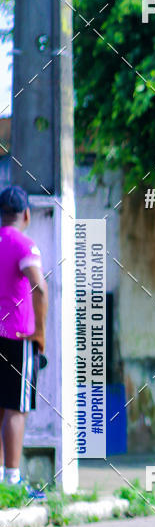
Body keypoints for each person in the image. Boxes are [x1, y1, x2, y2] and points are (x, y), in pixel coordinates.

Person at [0, 186, 48, 498]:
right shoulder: (24, 245)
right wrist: (40, 333)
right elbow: (40, 289)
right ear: (26, 215)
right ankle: (13, 480)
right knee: (16, 409)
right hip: (17, 337)